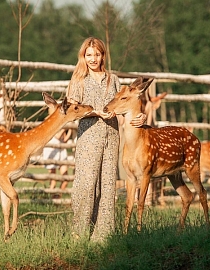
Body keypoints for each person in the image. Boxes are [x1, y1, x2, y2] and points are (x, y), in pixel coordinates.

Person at [66, 37, 146, 242]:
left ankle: (103, 237)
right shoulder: (78, 80)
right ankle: (79, 234)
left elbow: (125, 105)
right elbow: (72, 112)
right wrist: (96, 113)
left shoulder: (114, 80)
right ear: (83, 56)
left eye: (97, 54)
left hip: (111, 137)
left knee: (108, 185)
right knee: (86, 184)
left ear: (103, 55)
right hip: (88, 136)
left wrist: (140, 117)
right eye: (89, 55)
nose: (93, 59)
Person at [43, 127, 72, 194]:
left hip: (61, 152)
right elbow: (58, 136)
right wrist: (64, 128)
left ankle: (58, 196)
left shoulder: (63, 126)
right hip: (52, 152)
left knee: (66, 178)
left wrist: (70, 129)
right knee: (53, 179)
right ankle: (51, 197)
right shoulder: (54, 126)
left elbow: (65, 140)